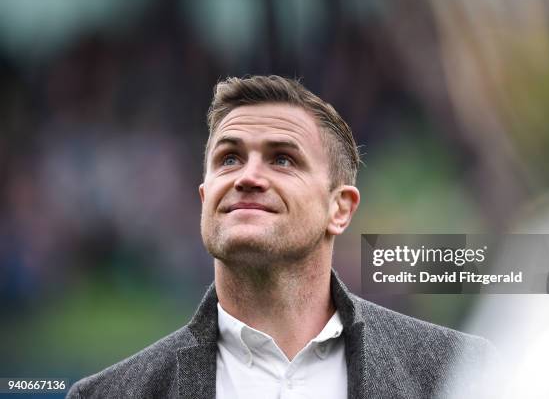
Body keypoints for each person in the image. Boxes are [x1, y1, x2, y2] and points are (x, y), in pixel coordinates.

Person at [67, 75, 495, 399]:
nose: (249, 177)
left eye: (283, 159)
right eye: (229, 158)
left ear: (340, 208)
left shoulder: (461, 375)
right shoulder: (107, 395)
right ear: (204, 198)